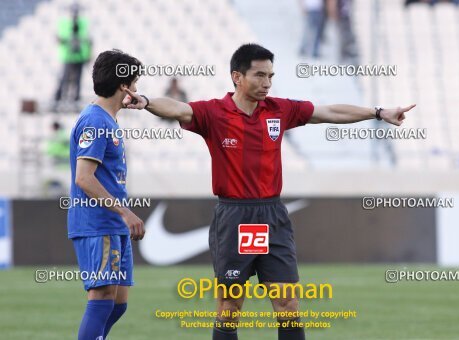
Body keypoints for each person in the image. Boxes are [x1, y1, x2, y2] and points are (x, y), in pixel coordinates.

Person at [123, 43, 415, 340]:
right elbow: (178, 108)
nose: (267, 83)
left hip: (272, 215)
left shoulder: (280, 109)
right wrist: (145, 101)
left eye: (270, 76)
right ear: (237, 77)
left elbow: (328, 111)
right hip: (235, 217)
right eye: (260, 75)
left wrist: (378, 112)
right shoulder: (214, 112)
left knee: (288, 304)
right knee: (230, 306)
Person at [68, 50, 145, 340]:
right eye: (135, 82)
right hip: (98, 223)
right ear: (124, 86)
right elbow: (83, 178)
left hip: (112, 225)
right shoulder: (96, 122)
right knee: (101, 300)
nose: (137, 89)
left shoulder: (107, 119)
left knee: (118, 304)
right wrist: (125, 211)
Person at [53, 5, 92, 110]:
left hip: (78, 56)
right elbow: (58, 38)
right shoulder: (64, 24)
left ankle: (75, 98)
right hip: (69, 56)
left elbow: (88, 40)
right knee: (65, 77)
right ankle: (60, 96)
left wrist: (88, 54)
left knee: (77, 79)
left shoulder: (83, 24)